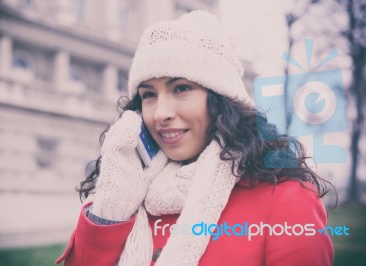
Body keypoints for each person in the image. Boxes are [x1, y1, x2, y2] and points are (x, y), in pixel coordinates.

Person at [56, 10, 334, 266]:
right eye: (149, 95)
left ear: (221, 101)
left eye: (181, 88)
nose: (160, 113)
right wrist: (110, 211)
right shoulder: (123, 196)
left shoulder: (285, 199)